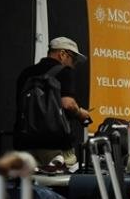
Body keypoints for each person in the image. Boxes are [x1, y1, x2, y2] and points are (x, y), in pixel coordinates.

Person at [14, 37, 92, 172]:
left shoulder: (25, 73)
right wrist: (80, 114)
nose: (73, 65)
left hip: (24, 143)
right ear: (62, 54)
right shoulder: (64, 71)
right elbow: (68, 104)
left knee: (30, 182)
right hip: (54, 145)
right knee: (65, 179)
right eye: (73, 59)